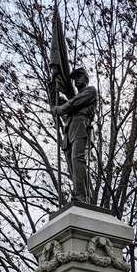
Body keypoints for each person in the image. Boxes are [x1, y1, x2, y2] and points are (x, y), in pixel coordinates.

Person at [53, 68, 97, 201]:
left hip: (81, 128)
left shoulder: (90, 91)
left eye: (79, 76)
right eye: (75, 77)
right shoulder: (74, 103)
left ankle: (82, 196)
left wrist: (61, 108)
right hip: (70, 132)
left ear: (85, 78)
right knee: (73, 165)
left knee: (78, 160)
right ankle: (80, 193)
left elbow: (73, 103)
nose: (77, 79)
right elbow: (67, 114)